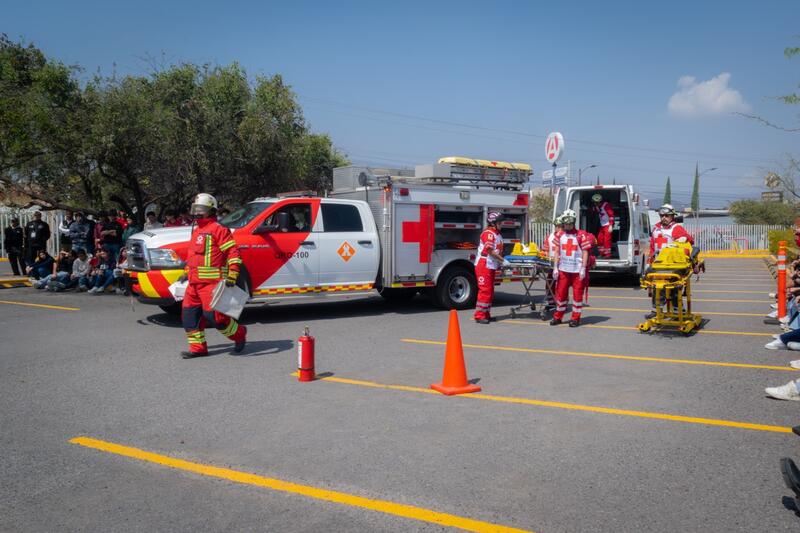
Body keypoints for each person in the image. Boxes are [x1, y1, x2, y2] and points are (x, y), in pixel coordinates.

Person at [180, 193, 247, 358]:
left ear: (211, 211)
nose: (197, 212)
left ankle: (239, 334)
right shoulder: (197, 230)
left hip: (211, 284)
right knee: (189, 317)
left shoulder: (219, 229)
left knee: (216, 318)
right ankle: (198, 349)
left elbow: (233, 252)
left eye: (201, 209)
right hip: (193, 284)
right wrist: (186, 272)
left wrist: (233, 274)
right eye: (195, 208)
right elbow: (194, 257)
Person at [646, 203, 694, 318]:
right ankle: (656, 310)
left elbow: (690, 240)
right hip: (658, 263)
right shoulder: (656, 228)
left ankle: (678, 310)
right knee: (656, 286)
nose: (664, 218)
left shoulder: (676, 228)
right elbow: (652, 247)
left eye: (667, 216)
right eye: (662, 215)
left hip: (672, 264)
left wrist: (684, 238)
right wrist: (649, 262)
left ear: (672, 216)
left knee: (674, 286)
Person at [550, 209, 593, 327]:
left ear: (573, 222)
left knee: (577, 295)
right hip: (563, 270)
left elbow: (585, 252)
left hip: (577, 271)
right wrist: (555, 267)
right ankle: (558, 317)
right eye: (566, 223)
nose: (567, 226)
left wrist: (583, 268)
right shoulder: (559, 235)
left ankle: (575, 318)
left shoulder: (581, 235)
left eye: (570, 223)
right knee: (561, 294)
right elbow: (557, 251)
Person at [473, 211, 506, 324]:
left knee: (490, 291)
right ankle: (479, 315)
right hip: (484, 264)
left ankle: (486, 314)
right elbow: (490, 250)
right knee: (485, 290)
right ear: (493, 223)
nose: (502, 224)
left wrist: (500, 262)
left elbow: (497, 251)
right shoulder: (488, 233)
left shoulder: (497, 235)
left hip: (491, 264)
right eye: (500, 222)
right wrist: (502, 260)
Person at [540, 215, 564, 310]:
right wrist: (545, 255)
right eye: (557, 226)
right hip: (552, 265)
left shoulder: (565, 236)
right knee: (549, 283)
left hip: (562, 265)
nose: (558, 228)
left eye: (560, 226)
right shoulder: (550, 237)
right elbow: (546, 249)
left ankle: (561, 303)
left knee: (561, 285)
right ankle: (551, 303)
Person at [590, 193, 614, 258]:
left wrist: (611, 225)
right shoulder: (596, 207)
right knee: (600, 239)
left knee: (607, 240)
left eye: (597, 203)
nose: (596, 204)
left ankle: (608, 255)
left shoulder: (606, 205)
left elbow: (611, 215)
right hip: (602, 225)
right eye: (595, 203)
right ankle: (601, 253)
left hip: (608, 225)